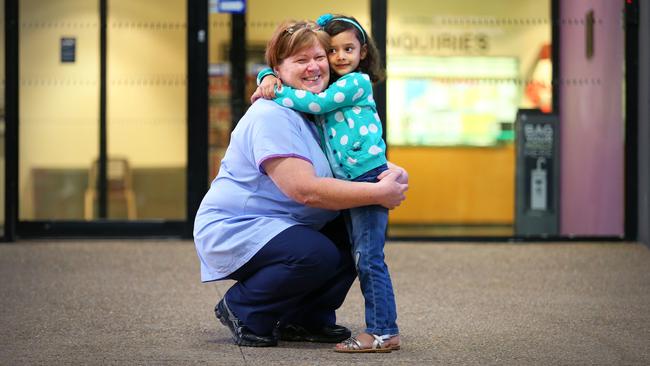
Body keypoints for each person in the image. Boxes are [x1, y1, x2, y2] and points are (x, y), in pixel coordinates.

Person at [193, 19, 408, 350]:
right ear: (278, 69)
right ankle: (244, 308)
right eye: (301, 60)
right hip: (239, 225)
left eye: (319, 57)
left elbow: (341, 158)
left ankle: (305, 318)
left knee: (356, 230)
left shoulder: (314, 111)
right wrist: (379, 192)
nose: (314, 67)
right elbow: (304, 190)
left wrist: (390, 174)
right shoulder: (271, 115)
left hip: (285, 223)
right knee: (316, 253)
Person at [252, 14, 401, 353]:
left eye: (349, 49)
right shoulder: (332, 82)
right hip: (351, 181)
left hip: (366, 179)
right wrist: (267, 76)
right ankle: (323, 319)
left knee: (369, 258)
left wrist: (273, 92)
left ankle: (382, 331)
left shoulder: (355, 84)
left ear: (363, 52)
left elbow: (315, 102)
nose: (340, 57)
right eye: (331, 51)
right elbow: (296, 76)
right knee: (358, 255)